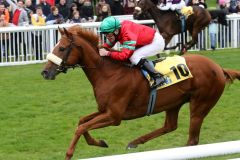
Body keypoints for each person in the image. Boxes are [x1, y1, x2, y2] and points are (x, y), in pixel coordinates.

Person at [99, 16, 165, 89]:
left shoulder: (127, 35)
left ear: (116, 31)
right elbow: (110, 43)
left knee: (134, 57)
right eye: (105, 34)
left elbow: (124, 56)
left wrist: (107, 53)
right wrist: (101, 47)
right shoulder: (118, 29)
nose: (107, 37)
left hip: (156, 42)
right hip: (148, 40)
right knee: (132, 58)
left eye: (109, 34)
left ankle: (158, 77)